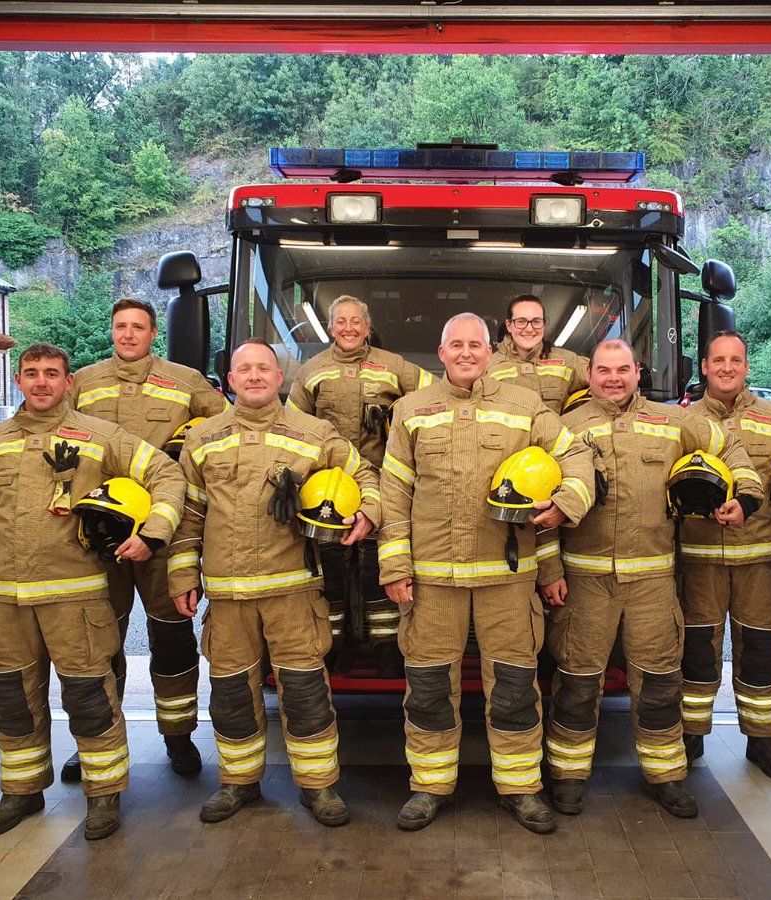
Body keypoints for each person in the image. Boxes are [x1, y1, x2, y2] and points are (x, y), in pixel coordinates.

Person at [0, 343, 185, 841]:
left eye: (51, 374)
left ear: (68, 381)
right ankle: (22, 792)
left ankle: (103, 796)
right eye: (31, 374)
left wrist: (153, 533)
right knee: (13, 701)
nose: (41, 383)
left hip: (76, 601)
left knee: (90, 699)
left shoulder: (100, 437)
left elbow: (166, 473)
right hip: (8, 603)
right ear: (17, 380)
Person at [378, 313, 595, 834]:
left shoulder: (527, 409)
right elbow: (394, 493)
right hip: (432, 580)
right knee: (428, 687)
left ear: (488, 352)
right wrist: (394, 565)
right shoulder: (410, 411)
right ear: (442, 351)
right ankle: (429, 787)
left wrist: (565, 504)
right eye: (457, 344)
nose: (467, 352)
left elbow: (577, 456)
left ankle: (521, 789)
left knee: (516, 687)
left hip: (507, 577)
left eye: (475, 344)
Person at [538, 339, 764, 818]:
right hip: (584, 582)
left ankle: (666, 775)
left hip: (653, 583)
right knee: (577, 681)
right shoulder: (566, 428)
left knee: (660, 682)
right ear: (591, 374)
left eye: (623, 370)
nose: (614, 379)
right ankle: (568, 776)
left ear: (638, 372)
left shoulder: (675, 421)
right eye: (604, 370)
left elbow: (733, 447)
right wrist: (550, 570)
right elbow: (542, 502)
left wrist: (744, 498)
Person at [169, 339, 379, 826]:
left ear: (280, 378)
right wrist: (182, 574)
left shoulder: (314, 433)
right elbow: (189, 516)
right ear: (231, 379)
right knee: (231, 695)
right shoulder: (203, 439)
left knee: (306, 692)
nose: (255, 376)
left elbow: (365, 473)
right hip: (227, 595)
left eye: (264, 368)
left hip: (293, 592)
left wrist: (367, 511)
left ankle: (319, 787)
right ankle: (239, 784)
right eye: (245, 369)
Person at [67, 298, 229, 782]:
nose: (128, 335)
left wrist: (190, 443)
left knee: (172, 638)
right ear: (112, 330)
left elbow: (223, 424)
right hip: (99, 532)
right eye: (121, 326)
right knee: (100, 640)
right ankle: (96, 740)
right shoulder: (83, 382)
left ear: (154, 333)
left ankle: (178, 739)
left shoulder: (186, 380)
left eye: (138, 327)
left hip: (165, 526)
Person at [678, 331, 771, 781]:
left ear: (747, 367)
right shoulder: (680, 421)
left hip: (759, 561)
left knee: (760, 651)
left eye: (735, 360)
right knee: (696, 652)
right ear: (703, 367)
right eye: (717, 360)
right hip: (697, 559)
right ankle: (690, 736)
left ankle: (764, 742)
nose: (726, 367)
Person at [287, 295, 432, 675]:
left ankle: (386, 647)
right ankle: (331, 644)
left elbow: (436, 395)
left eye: (356, 321)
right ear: (330, 328)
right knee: (330, 566)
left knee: (376, 565)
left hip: (381, 482)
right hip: (328, 487)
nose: (348, 328)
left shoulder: (394, 366)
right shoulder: (311, 371)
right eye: (340, 321)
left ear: (368, 328)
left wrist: (395, 414)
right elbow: (293, 427)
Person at [487, 294, 588, 413]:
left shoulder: (569, 361)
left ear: (544, 325)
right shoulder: (488, 367)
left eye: (536, 321)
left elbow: (606, 377)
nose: (529, 329)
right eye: (521, 322)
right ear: (509, 325)